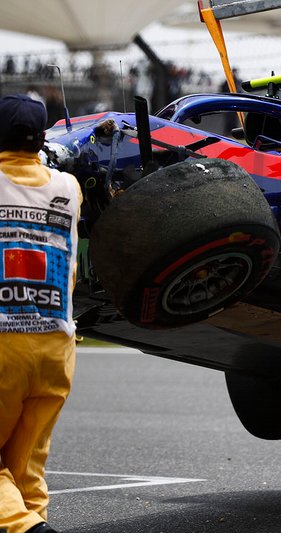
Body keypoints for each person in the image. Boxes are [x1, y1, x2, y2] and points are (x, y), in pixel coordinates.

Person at [0, 94, 82, 533]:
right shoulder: (69, 188)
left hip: (2, 346)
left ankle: (27, 529)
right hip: (55, 345)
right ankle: (33, 520)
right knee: (27, 468)